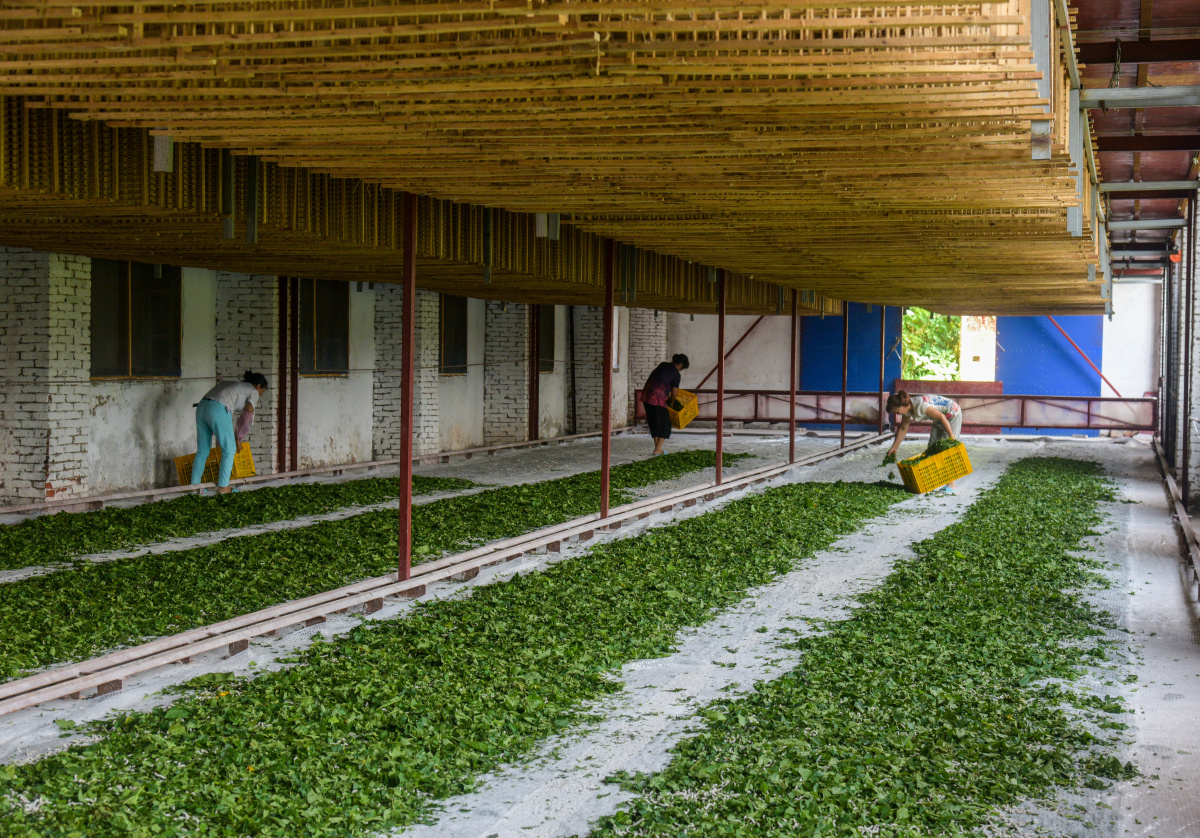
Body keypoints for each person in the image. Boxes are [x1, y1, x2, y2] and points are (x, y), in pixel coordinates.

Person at [191, 371, 269, 494]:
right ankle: (223, 487)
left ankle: (194, 487)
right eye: (262, 391)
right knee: (229, 449)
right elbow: (248, 414)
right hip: (218, 408)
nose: (260, 394)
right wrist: (238, 438)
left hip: (202, 407)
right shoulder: (253, 391)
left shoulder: (234, 384)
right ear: (259, 386)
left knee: (203, 450)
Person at [885, 390, 963, 494]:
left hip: (952, 414)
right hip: (940, 417)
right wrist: (894, 448)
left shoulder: (921, 406)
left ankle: (951, 485)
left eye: (897, 410)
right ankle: (930, 481)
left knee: (946, 449)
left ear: (903, 405)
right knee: (932, 448)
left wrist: (952, 437)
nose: (897, 413)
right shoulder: (907, 410)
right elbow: (903, 428)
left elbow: (942, 417)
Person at [641, 353, 689, 456]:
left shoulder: (662, 365)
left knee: (654, 422)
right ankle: (658, 450)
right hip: (657, 399)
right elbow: (674, 393)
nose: (681, 370)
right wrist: (671, 403)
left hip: (646, 395)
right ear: (680, 365)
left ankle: (658, 449)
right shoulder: (676, 374)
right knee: (665, 425)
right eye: (682, 368)